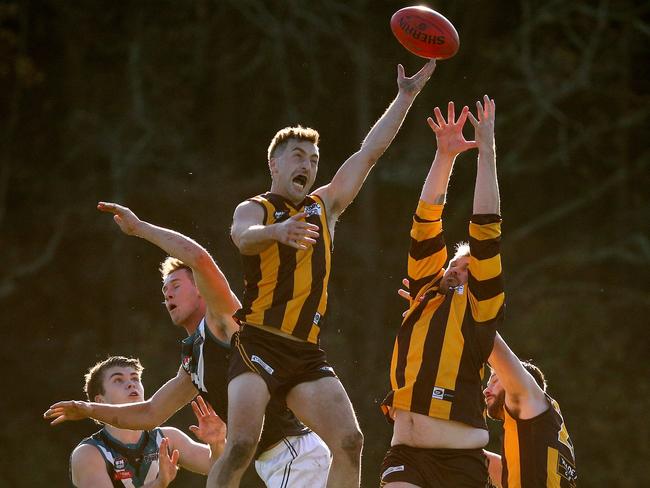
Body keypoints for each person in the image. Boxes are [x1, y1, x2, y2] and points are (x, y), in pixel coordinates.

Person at [223, 58, 437, 488]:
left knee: (350, 441)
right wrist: (278, 231)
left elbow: (370, 152)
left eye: (315, 159)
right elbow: (242, 237)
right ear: (275, 166)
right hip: (258, 343)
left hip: (305, 353)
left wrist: (405, 96)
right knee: (243, 444)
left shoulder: (325, 207)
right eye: (298, 156)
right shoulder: (256, 208)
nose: (308, 164)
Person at [45, 203, 332, 487]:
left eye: (176, 285)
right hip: (276, 462)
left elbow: (200, 259)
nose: (167, 293)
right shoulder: (194, 359)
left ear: (201, 290)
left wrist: (139, 228)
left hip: (297, 454)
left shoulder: (224, 320)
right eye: (164, 290)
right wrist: (87, 409)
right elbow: (150, 413)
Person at [379, 95, 504, 487]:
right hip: (404, 453)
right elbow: (425, 221)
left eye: (470, 269)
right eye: (454, 264)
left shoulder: (480, 310)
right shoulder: (425, 293)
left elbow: (486, 229)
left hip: (459, 463)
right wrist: (445, 156)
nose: (458, 272)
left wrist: (487, 150)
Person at [69, 356, 225, 488]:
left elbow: (220, 467)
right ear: (100, 401)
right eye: (118, 380)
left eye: (135, 378)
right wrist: (158, 484)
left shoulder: (167, 438)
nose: (131, 384)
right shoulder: (89, 453)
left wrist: (217, 444)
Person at [483, 333, 578, 487]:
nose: (486, 390)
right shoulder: (542, 429)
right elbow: (497, 469)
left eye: (494, 381)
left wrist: (476, 317)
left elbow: (500, 353)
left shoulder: (529, 399)